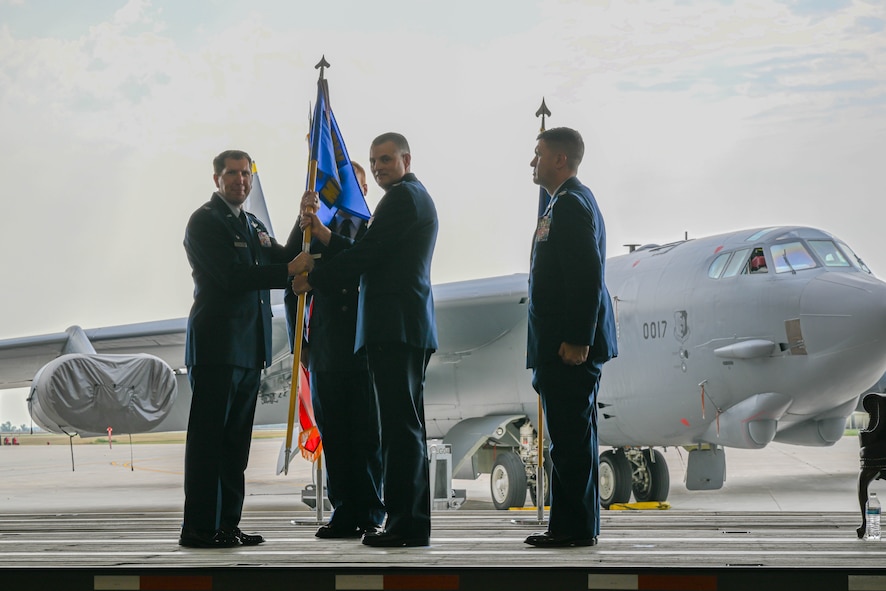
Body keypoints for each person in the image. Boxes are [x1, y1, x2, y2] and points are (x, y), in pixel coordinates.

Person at [292, 132, 438, 547]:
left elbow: (364, 256)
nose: (378, 167)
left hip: (395, 327)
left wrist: (313, 278)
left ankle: (406, 525)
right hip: (403, 326)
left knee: (398, 432)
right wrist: (322, 234)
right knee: (402, 429)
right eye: (374, 160)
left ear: (406, 159)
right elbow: (370, 251)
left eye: (385, 160)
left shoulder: (401, 199)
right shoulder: (413, 196)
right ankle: (408, 522)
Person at [180, 149, 304, 549]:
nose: (240, 181)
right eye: (232, 174)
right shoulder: (204, 222)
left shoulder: (251, 224)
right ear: (216, 178)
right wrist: (285, 271)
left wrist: (303, 219)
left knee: (235, 447)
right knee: (208, 445)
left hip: (249, 351)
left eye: (246, 174)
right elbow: (233, 278)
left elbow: (284, 257)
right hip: (217, 350)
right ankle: (199, 529)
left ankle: (227, 525)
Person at [523, 127, 618, 548]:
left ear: (560, 160)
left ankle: (572, 529)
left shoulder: (572, 205)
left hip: (568, 348)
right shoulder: (566, 201)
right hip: (561, 344)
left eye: (539, 153)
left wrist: (579, 338)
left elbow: (586, 277)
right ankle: (574, 525)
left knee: (571, 443)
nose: (533, 161)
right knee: (571, 440)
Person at [288, 162, 385, 539]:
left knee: (368, 437)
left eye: (356, 187)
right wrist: (304, 346)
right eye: (340, 187)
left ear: (365, 192)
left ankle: (373, 510)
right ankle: (344, 511)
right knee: (337, 436)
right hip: (326, 347)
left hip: (362, 346)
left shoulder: (374, 229)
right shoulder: (309, 231)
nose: (348, 195)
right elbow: (289, 282)